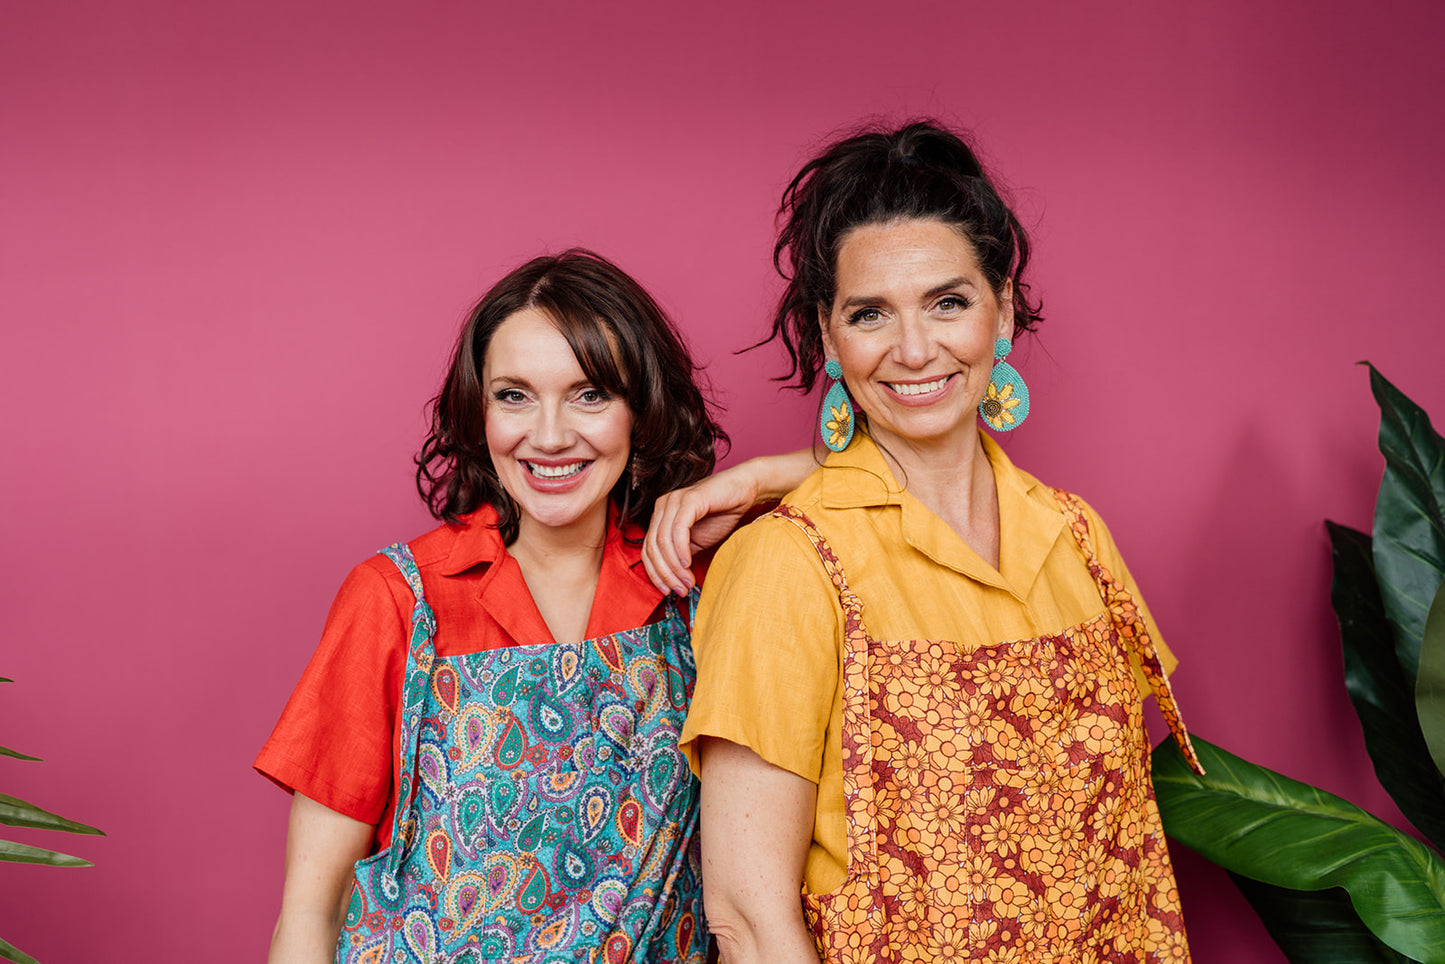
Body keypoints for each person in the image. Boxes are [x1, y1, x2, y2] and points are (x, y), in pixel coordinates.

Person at [666, 121, 1207, 963]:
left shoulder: (1075, 536)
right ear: (830, 338)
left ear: (1001, 309)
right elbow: (746, 911)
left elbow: (1115, 842)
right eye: (869, 313)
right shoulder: (788, 563)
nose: (914, 349)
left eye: (947, 302)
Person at [255, 249, 811, 964]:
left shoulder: (702, 583)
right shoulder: (399, 596)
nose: (548, 436)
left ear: (640, 409)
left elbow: (894, 465)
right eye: (514, 395)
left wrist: (747, 483)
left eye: (589, 395)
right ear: (476, 409)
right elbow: (312, 905)